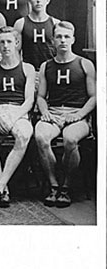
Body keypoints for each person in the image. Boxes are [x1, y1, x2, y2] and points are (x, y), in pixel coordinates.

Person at [34, 21, 96, 208]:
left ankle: (66, 187)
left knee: (70, 138)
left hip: (77, 113)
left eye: (66, 37)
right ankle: (54, 185)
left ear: (73, 39)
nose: (62, 40)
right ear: (53, 40)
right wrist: (45, 112)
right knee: (41, 136)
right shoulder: (46, 66)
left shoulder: (85, 64)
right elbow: (41, 97)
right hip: (54, 112)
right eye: (59, 37)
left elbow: (94, 97)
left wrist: (79, 115)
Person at [0, 27, 36, 207]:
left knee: (24, 135)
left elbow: (29, 101)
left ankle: (0, 187)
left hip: (19, 112)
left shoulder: (27, 68)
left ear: (17, 43)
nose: (5, 46)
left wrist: (14, 117)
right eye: (2, 42)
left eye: (9, 41)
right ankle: (3, 188)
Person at [13, 0, 60, 83]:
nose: (38, 0)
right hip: (29, 72)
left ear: (48, 0)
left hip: (50, 71)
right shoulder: (20, 23)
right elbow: (16, 52)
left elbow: (60, 51)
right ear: (29, 1)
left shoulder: (55, 23)